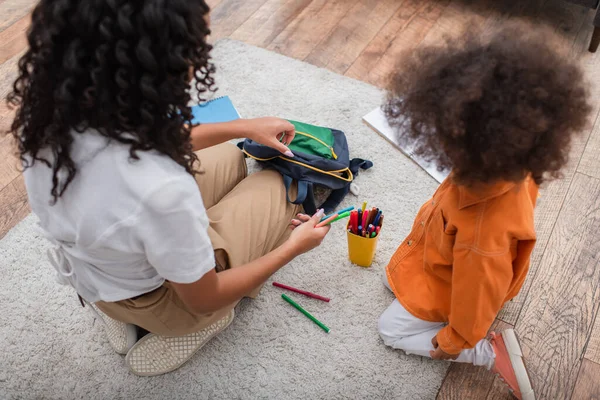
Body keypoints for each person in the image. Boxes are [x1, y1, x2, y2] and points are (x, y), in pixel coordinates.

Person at [8, 0, 330, 376]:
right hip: (167, 301)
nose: (201, 57)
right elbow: (205, 296)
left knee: (229, 158)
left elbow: (147, 139)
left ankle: (116, 306)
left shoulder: (53, 114)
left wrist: (243, 126)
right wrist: (292, 248)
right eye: (197, 45)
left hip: (97, 272)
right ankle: (180, 328)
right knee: (277, 187)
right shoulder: (162, 188)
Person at [376, 23, 591, 400]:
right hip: (439, 259)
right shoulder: (512, 166)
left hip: (453, 286)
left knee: (389, 330)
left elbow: (477, 298)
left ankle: (489, 354)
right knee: (392, 277)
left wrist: (454, 341)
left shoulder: (482, 234)